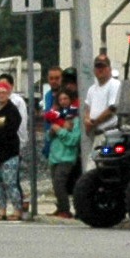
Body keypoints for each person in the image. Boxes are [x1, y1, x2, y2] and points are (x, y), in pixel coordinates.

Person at [0, 81, 24, 221]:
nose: (1, 95)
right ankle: (1, 210)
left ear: (8, 94)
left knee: (10, 182)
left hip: (10, 152)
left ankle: (17, 210)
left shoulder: (13, 111)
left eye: (4, 92)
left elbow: (10, 130)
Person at [45, 91, 83, 219]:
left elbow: (74, 140)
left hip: (67, 157)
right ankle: (60, 207)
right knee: (56, 185)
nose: (63, 102)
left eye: (65, 98)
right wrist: (53, 130)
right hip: (54, 157)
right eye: (60, 99)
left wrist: (60, 131)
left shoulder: (76, 119)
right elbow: (48, 137)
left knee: (60, 184)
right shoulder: (57, 118)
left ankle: (65, 210)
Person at [82, 54, 121, 170]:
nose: (100, 69)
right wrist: (87, 120)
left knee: (94, 167)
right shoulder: (92, 89)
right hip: (96, 135)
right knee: (94, 167)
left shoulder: (115, 85)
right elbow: (87, 108)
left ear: (109, 68)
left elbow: (112, 109)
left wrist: (94, 122)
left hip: (109, 134)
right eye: (97, 67)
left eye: (103, 66)